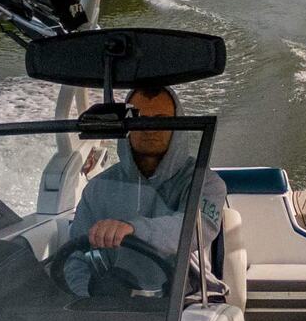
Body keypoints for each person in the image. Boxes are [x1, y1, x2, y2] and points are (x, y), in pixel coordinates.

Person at [63, 84, 228, 294]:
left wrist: (133, 229)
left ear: (178, 125)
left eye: (161, 119)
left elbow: (194, 229)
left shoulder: (206, 183)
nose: (149, 128)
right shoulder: (97, 188)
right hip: (113, 298)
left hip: (189, 299)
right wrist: (85, 297)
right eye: (139, 117)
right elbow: (76, 256)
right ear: (127, 124)